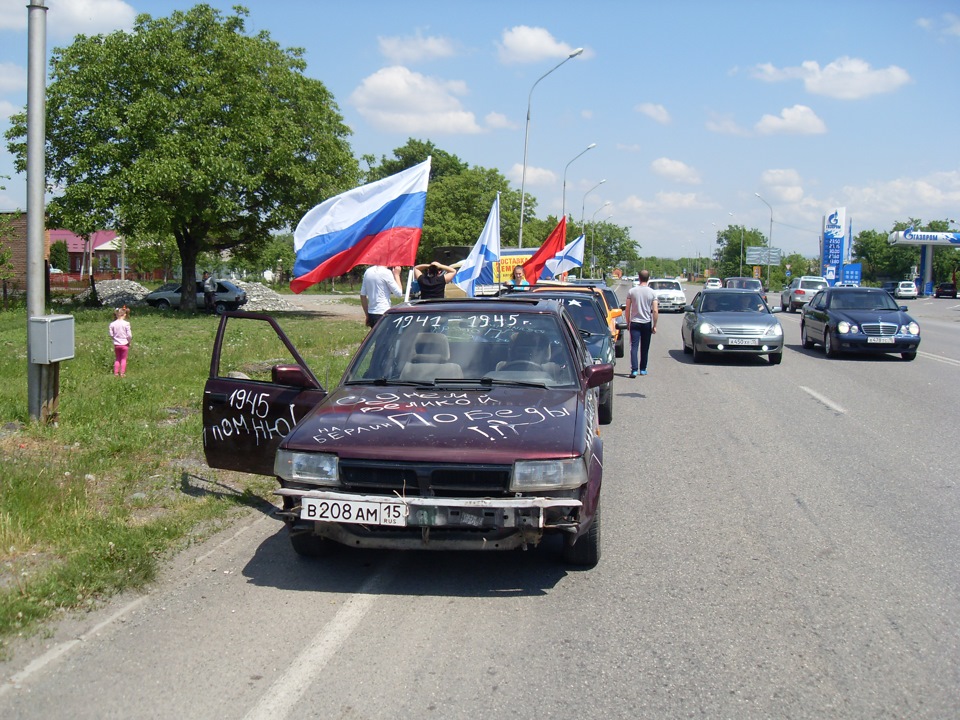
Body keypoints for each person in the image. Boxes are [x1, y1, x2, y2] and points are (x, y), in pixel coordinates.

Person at [624, 269, 659, 377]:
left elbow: (627, 309)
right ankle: (643, 369)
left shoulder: (632, 291)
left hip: (635, 322)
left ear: (639, 277)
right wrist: (655, 325)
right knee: (645, 347)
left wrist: (628, 322)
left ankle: (634, 370)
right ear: (648, 278)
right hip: (646, 322)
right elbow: (655, 310)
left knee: (634, 346)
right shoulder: (652, 293)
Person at [109, 306, 132, 377]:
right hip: (125, 344)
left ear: (116, 314)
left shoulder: (112, 324)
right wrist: (129, 341)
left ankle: (116, 373)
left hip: (116, 344)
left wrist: (114, 339)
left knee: (117, 359)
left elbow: (111, 334)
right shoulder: (126, 324)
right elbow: (129, 335)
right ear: (125, 314)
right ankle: (122, 373)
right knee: (123, 359)